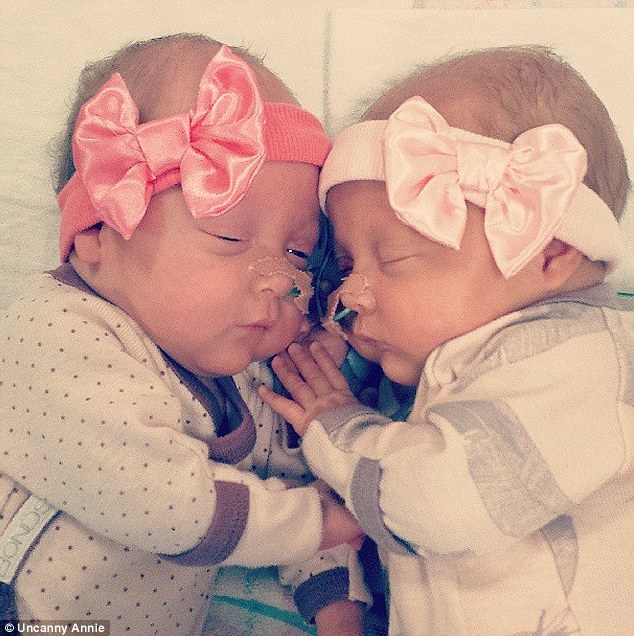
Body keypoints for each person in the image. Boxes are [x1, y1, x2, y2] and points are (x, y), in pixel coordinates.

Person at [0, 33, 370, 636]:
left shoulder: (247, 378)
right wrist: (316, 521)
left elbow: (294, 493)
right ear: (97, 235)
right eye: (229, 237)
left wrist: (338, 612)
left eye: (299, 253)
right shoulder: (57, 333)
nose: (280, 279)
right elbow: (162, 503)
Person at [259, 46, 634, 635]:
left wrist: (337, 426)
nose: (350, 293)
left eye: (394, 258)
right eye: (348, 264)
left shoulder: (585, 360)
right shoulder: (439, 376)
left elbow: (436, 505)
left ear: (550, 251)